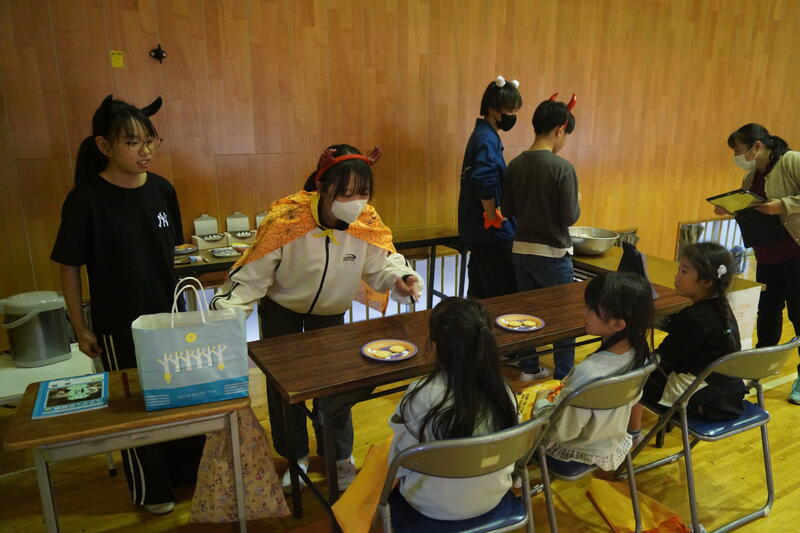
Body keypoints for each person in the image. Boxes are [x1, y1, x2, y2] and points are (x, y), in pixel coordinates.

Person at [211, 144, 423, 490]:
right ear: (322, 186)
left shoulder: (365, 221)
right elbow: (253, 274)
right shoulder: (287, 219)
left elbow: (382, 264)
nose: (356, 202)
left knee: (337, 388)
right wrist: (228, 314)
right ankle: (295, 456)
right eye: (346, 193)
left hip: (330, 314)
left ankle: (339, 456)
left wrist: (400, 278)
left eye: (363, 193)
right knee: (286, 391)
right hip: (282, 313)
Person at [51, 95, 202, 514]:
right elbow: (69, 267)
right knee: (135, 407)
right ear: (104, 146)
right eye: (133, 142)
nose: (145, 151)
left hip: (169, 318)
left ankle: (185, 472)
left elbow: (168, 254)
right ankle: (152, 489)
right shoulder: (85, 200)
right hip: (119, 325)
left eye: (150, 141)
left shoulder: (162, 190)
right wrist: (80, 326)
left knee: (179, 395)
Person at [388, 297, 518, 520]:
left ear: (435, 346)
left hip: (431, 505)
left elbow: (400, 463)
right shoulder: (504, 392)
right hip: (493, 495)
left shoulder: (422, 394)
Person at [535, 272, 653, 472]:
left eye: (590, 308)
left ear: (617, 324)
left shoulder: (588, 373)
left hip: (577, 448)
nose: (583, 312)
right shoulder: (641, 354)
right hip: (610, 439)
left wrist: (540, 403)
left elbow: (560, 432)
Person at [628, 243, 746, 443]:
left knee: (631, 375)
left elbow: (662, 361)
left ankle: (632, 434)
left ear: (706, 281)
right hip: (728, 393)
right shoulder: (721, 308)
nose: (676, 276)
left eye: (684, 271)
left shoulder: (693, 319)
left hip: (701, 398)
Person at [717, 124, 800, 405]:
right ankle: (761, 368)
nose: (737, 156)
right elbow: (751, 209)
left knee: (798, 314)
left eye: (738, 150)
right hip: (767, 254)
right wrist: (730, 208)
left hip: (795, 252)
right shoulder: (751, 175)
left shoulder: (791, 161)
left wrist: (783, 205)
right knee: (767, 312)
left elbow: (781, 205)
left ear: (757, 145)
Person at [502, 94, 580, 381]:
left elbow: (507, 210)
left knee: (526, 313)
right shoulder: (562, 168)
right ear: (560, 129)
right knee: (563, 317)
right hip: (553, 254)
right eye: (566, 135)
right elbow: (569, 216)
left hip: (522, 250)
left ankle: (529, 367)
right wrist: (578, 202)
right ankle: (563, 375)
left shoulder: (515, 164)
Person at [457, 75, 522, 298]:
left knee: (480, 295)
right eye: (510, 110)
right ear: (493, 109)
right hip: (491, 234)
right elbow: (484, 179)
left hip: (480, 234)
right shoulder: (486, 139)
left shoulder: (484, 135)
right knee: (502, 298)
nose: (513, 116)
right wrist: (492, 215)